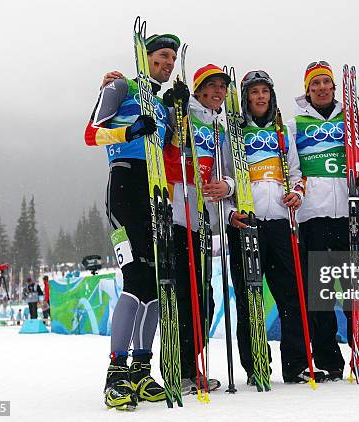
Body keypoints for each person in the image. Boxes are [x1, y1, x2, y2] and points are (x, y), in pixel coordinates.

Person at [84, 33, 181, 409]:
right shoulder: (121, 86)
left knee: (156, 281)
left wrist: (178, 119)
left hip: (155, 192)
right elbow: (90, 133)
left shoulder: (161, 105)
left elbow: (173, 153)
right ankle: (116, 373)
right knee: (135, 277)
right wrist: (128, 131)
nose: (168, 63)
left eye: (171, 58)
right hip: (123, 184)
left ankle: (142, 370)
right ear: (146, 57)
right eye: (161, 55)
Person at [287, 60, 359, 381]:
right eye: (314, 84)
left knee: (357, 292)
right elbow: (293, 168)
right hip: (313, 219)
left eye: (325, 83)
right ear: (307, 90)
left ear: (333, 87)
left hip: (349, 216)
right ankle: (330, 362)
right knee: (321, 298)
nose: (320, 89)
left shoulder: (352, 120)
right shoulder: (295, 124)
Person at [223, 70, 311, 384]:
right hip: (247, 222)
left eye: (265, 92)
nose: (260, 97)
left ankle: (296, 364)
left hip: (279, 223)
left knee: (291, 295)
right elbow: (222, 174)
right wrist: (231, 210)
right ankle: (255, 364)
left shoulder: (282, 129)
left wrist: (297, 193)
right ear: (246, 97)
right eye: (254, 92)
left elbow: (298, 170)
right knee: (250, 297)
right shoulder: (232, 131)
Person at [162, 64, 234, 393]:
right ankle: (177, 370)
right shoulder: (183, 109)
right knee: (180, 298)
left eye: (222, 87)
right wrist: (171, 103)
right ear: (199, 89)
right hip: (174, 214)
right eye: (211, 86)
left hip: (201, 217)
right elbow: (160, 129)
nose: (217, 92)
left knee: (204, 301)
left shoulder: (220, 125)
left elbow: (223, 168)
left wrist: (227, 189)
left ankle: (192, 366)